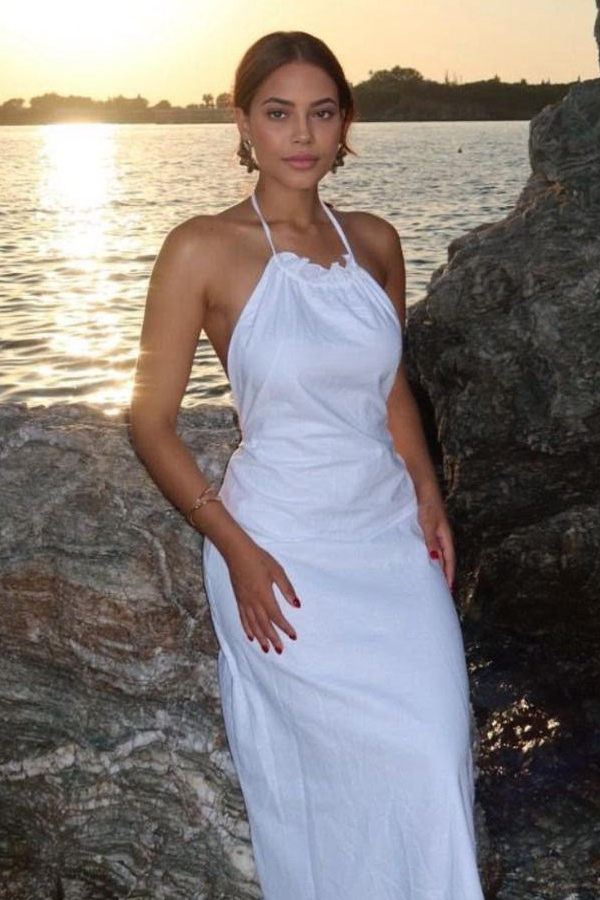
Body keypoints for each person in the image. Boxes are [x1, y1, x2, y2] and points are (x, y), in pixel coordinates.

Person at [129, 30, 486, 900]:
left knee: (435, 757)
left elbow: (387, 383)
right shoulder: (201, 248)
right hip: (281, 548)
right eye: (278, 113)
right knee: (329, 791)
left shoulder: (376, 242)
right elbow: (149, 421)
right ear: (242, 122)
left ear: (345, 123)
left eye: (322, 114)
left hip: (388, 542)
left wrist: (429, 492)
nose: (302, 135)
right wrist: (237, 551)